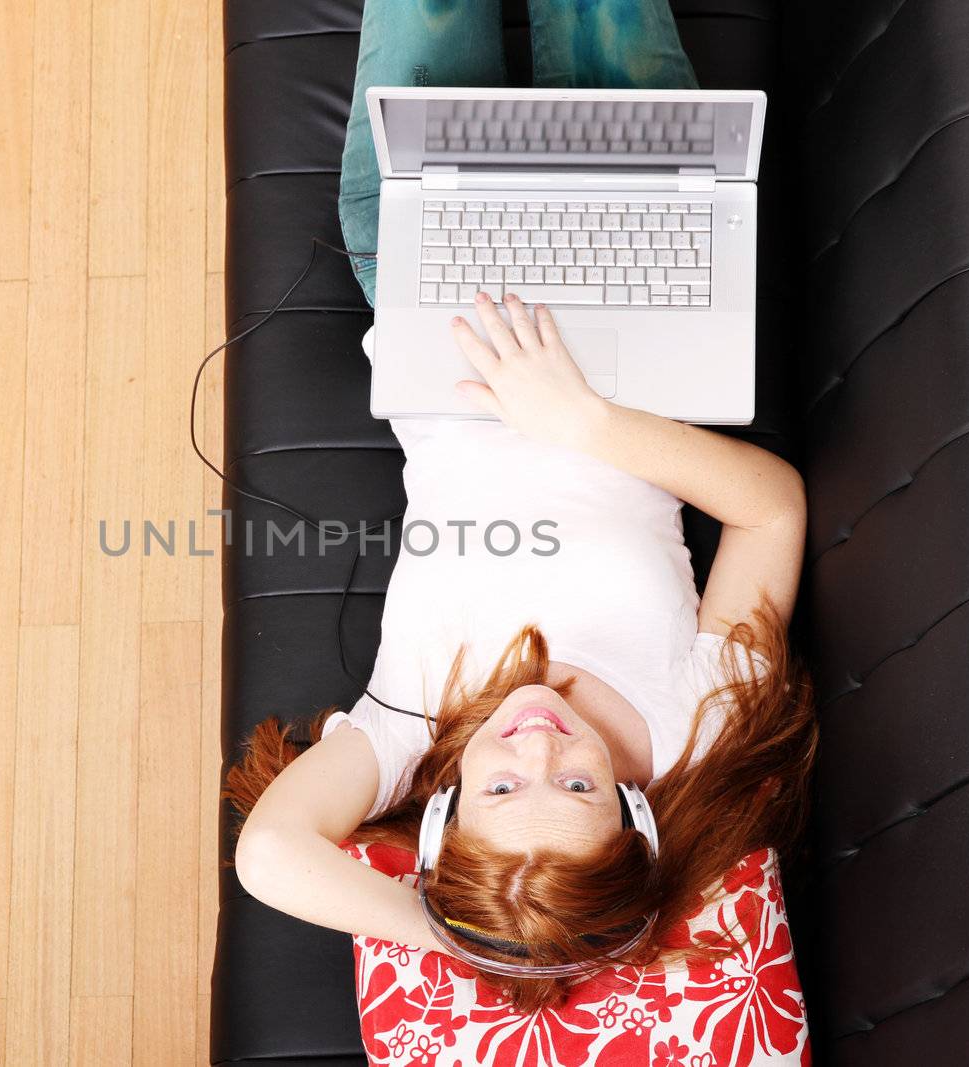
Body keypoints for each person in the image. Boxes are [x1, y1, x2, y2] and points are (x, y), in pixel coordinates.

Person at [225, 0, 819, 1038]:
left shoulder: (405, 733)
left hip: (436, 275)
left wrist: (459, 934)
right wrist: (582, 419)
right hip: (640, 278)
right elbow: (770, 512)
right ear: (633, 810)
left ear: (448, 812)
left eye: (501, 784)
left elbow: (269, 856)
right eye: (581, 781)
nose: (536, 741)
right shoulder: (689, 729)